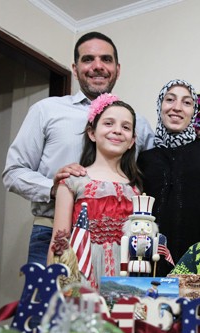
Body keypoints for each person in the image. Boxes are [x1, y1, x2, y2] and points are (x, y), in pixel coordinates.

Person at [2, 32, 200, 266]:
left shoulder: (137, 122)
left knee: (118, 301)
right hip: (53, 233)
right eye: (88, 59)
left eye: (105, 60)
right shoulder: (46, 111)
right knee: (52, 299)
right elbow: (13, 172)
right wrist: (56, 189)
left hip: (119, 240)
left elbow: (167, 162)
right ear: (75, 69)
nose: (98, 66)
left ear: (117, 69)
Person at [47, 94, 140, 289]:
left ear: (132, 140)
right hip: (82, 274)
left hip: (124, 279)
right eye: (108, 123)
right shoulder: (72, 181)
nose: (117, 130)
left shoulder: (136, 190)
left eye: (125, 127)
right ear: (91, 133)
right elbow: (59, 239)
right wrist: (56, 288)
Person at [137, 79, 200, 274]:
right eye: (170, 100)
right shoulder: (144, 159)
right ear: (160, 105)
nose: (177, 108)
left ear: (193, 112)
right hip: (152, 260)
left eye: (186, 103)